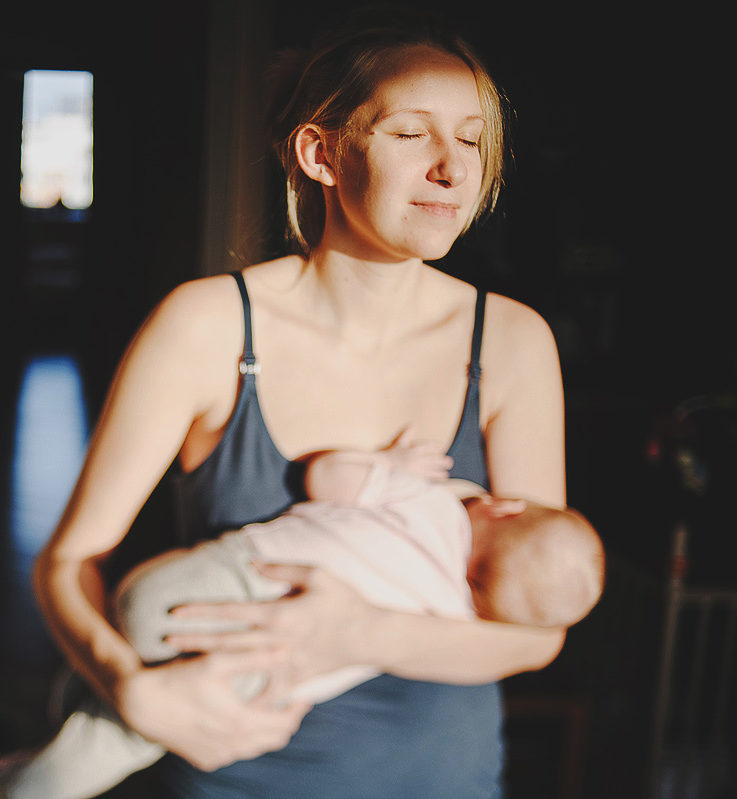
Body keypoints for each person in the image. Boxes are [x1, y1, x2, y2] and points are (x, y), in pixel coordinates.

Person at [33, 8, 586, 797]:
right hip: (234, 780)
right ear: (319, 151)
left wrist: (359, 632)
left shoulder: (512, 343)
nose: (453, 169)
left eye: (470, 139)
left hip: (441, 781)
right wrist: (128, 686)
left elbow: (535, 632)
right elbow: (67, 562)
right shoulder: (207, 326)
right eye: (411, 133)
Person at [0, 439, 604, 799]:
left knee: (112, 692)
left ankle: (64, 710)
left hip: (187, 584)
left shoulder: (428, 502)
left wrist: (386, 463)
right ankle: (24, 786)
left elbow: (324, 475)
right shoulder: (455, 616)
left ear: (502, 507)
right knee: (118, 741)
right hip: (239, 654)